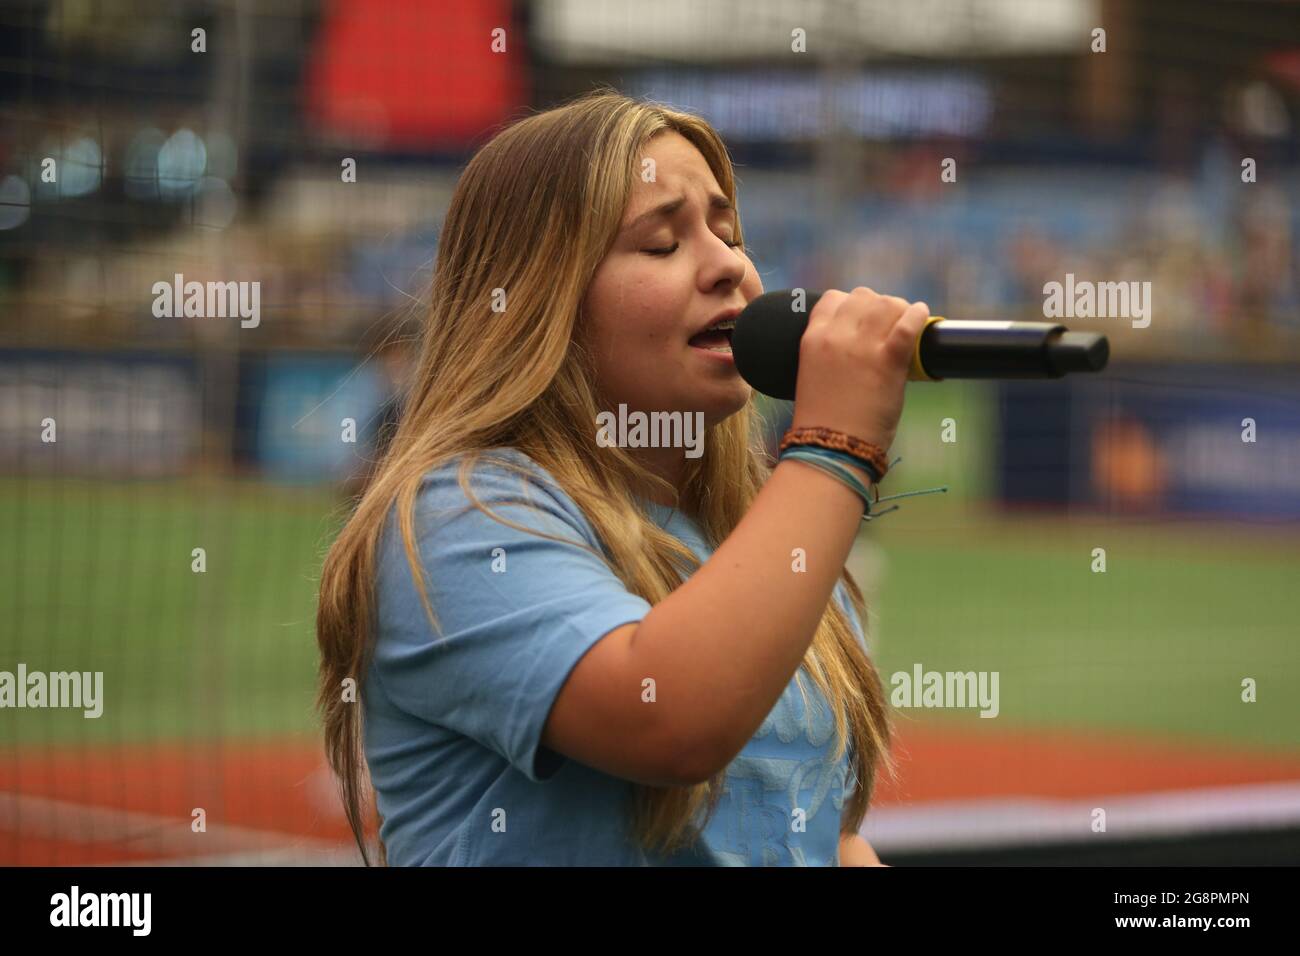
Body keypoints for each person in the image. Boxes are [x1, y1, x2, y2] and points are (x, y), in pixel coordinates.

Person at [316, 90, 930, 866]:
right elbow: (668, 719)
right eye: (663, 244)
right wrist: (835, 448)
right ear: (541, 300)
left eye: (729, 232)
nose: (730, 265)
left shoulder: (780, 552)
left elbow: (823, 839)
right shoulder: (459, 520)